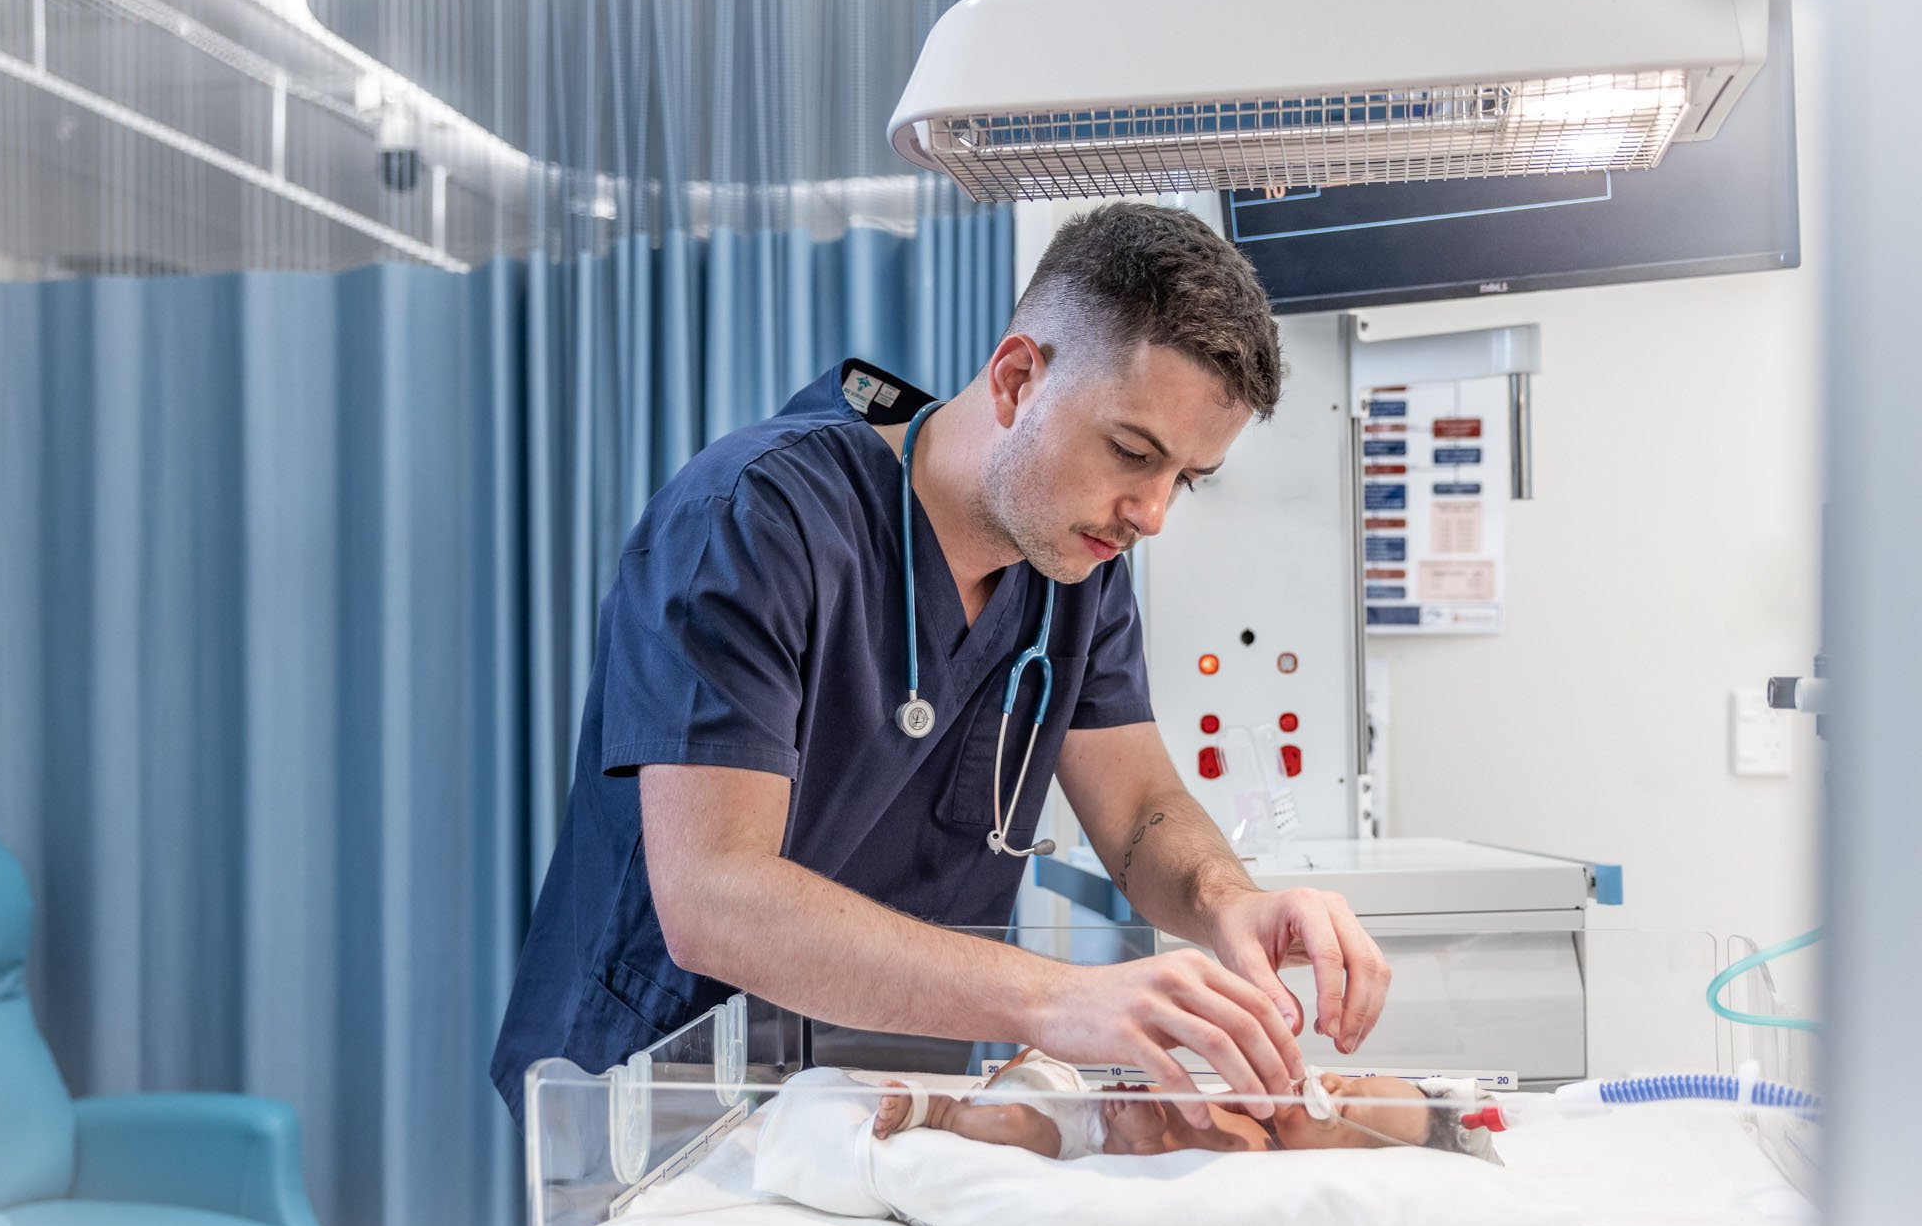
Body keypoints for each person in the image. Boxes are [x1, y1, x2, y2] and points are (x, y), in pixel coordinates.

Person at [491, 202, 1393, 1128]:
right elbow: (714, 895)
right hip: (665, 1106)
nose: (1151, 513)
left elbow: (1140, 811)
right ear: (1015, 378)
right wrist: (1059, 998)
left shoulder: (1073, 567)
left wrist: (1227, 901)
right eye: (1133, 451)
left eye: (1186, 478)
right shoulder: (754, 522)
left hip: (890, 1109)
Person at [867, 1049, 1484, 1160]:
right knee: (1039, 1079)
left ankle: (938, 1113)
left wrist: (1140, 1135)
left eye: (1339, 1109)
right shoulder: (1263, 1114)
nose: (1324, 1090)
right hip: (1081, 1093)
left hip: (1088, 1135)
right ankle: (1011, 1078)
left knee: (1016, 1125)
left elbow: (1162, 1157)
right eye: (1344, 1081)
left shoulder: (1248, 1153)